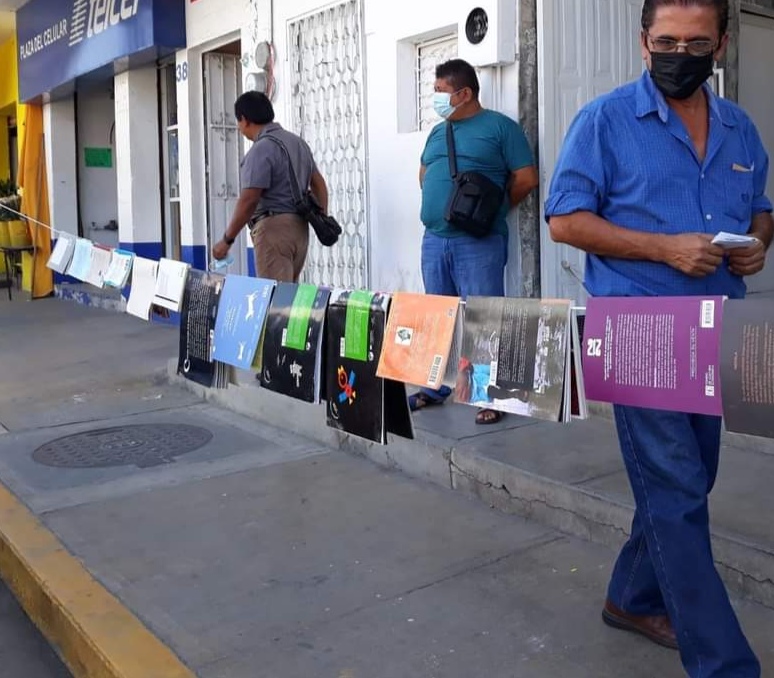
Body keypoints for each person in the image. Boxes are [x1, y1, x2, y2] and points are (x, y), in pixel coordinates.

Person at [545, 1, 772, 675]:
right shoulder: (606, 120)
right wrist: (661, 248)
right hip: (636, 328)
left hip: (718, 328)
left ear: (721, 45)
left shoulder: (740, 128)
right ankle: (723, 663)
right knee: (674, 490)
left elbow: (761, 208)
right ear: (643, 42)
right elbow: (563, 219)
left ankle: (629, 596)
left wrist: (758, 244)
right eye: (667, 40)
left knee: (691, 479)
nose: (681, 52)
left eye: (696, 41)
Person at [414, 58, 539, 425]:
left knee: (484, 318)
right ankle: (436, 386)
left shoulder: (500, 128)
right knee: (438, 316)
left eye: (440, 91)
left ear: (464, 93)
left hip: (478, 242)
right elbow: (424, 175)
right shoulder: (439, 133)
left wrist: (493, 211)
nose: (435, 98)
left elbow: (526, 178)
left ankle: (489, 394)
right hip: (435, 239)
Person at [212, 91, 328, 282]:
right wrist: (322, 217)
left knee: (275, 302)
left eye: (238, 122)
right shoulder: (298, 143)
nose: (239, 128)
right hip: (300, 230)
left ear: (245, 119)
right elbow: (319, 184)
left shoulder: (261, 149)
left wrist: (227, 240)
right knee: (288, 296)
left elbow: (250, 199)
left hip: (273, 230)